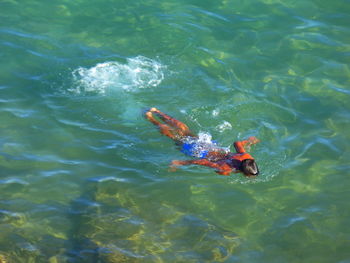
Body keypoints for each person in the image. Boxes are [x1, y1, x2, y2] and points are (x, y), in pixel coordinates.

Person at [145, 107, 260, 176]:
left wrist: (248, 141)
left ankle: (156, 112)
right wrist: (179, 163)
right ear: (244, 173)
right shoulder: (226, 169)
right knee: (173, 136)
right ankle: (150, 118)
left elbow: (237, 143)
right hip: (198, 152)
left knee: (184, 129)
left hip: (208, 145)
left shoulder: (246, 156)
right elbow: (202, 162)